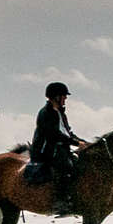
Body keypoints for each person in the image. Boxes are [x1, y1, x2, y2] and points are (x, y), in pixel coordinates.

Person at [32, 81, 88, 212]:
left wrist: (84, 142)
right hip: (46, 149)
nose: (66, 99)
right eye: (64, 96)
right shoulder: (46, 112)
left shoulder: (61, 113)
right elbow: (53, 135)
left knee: (79, 165)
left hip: (60, 148)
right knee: (66, 167)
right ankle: (60, 202)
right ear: (56, 97)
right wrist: (76, 143)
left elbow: (67, 133)